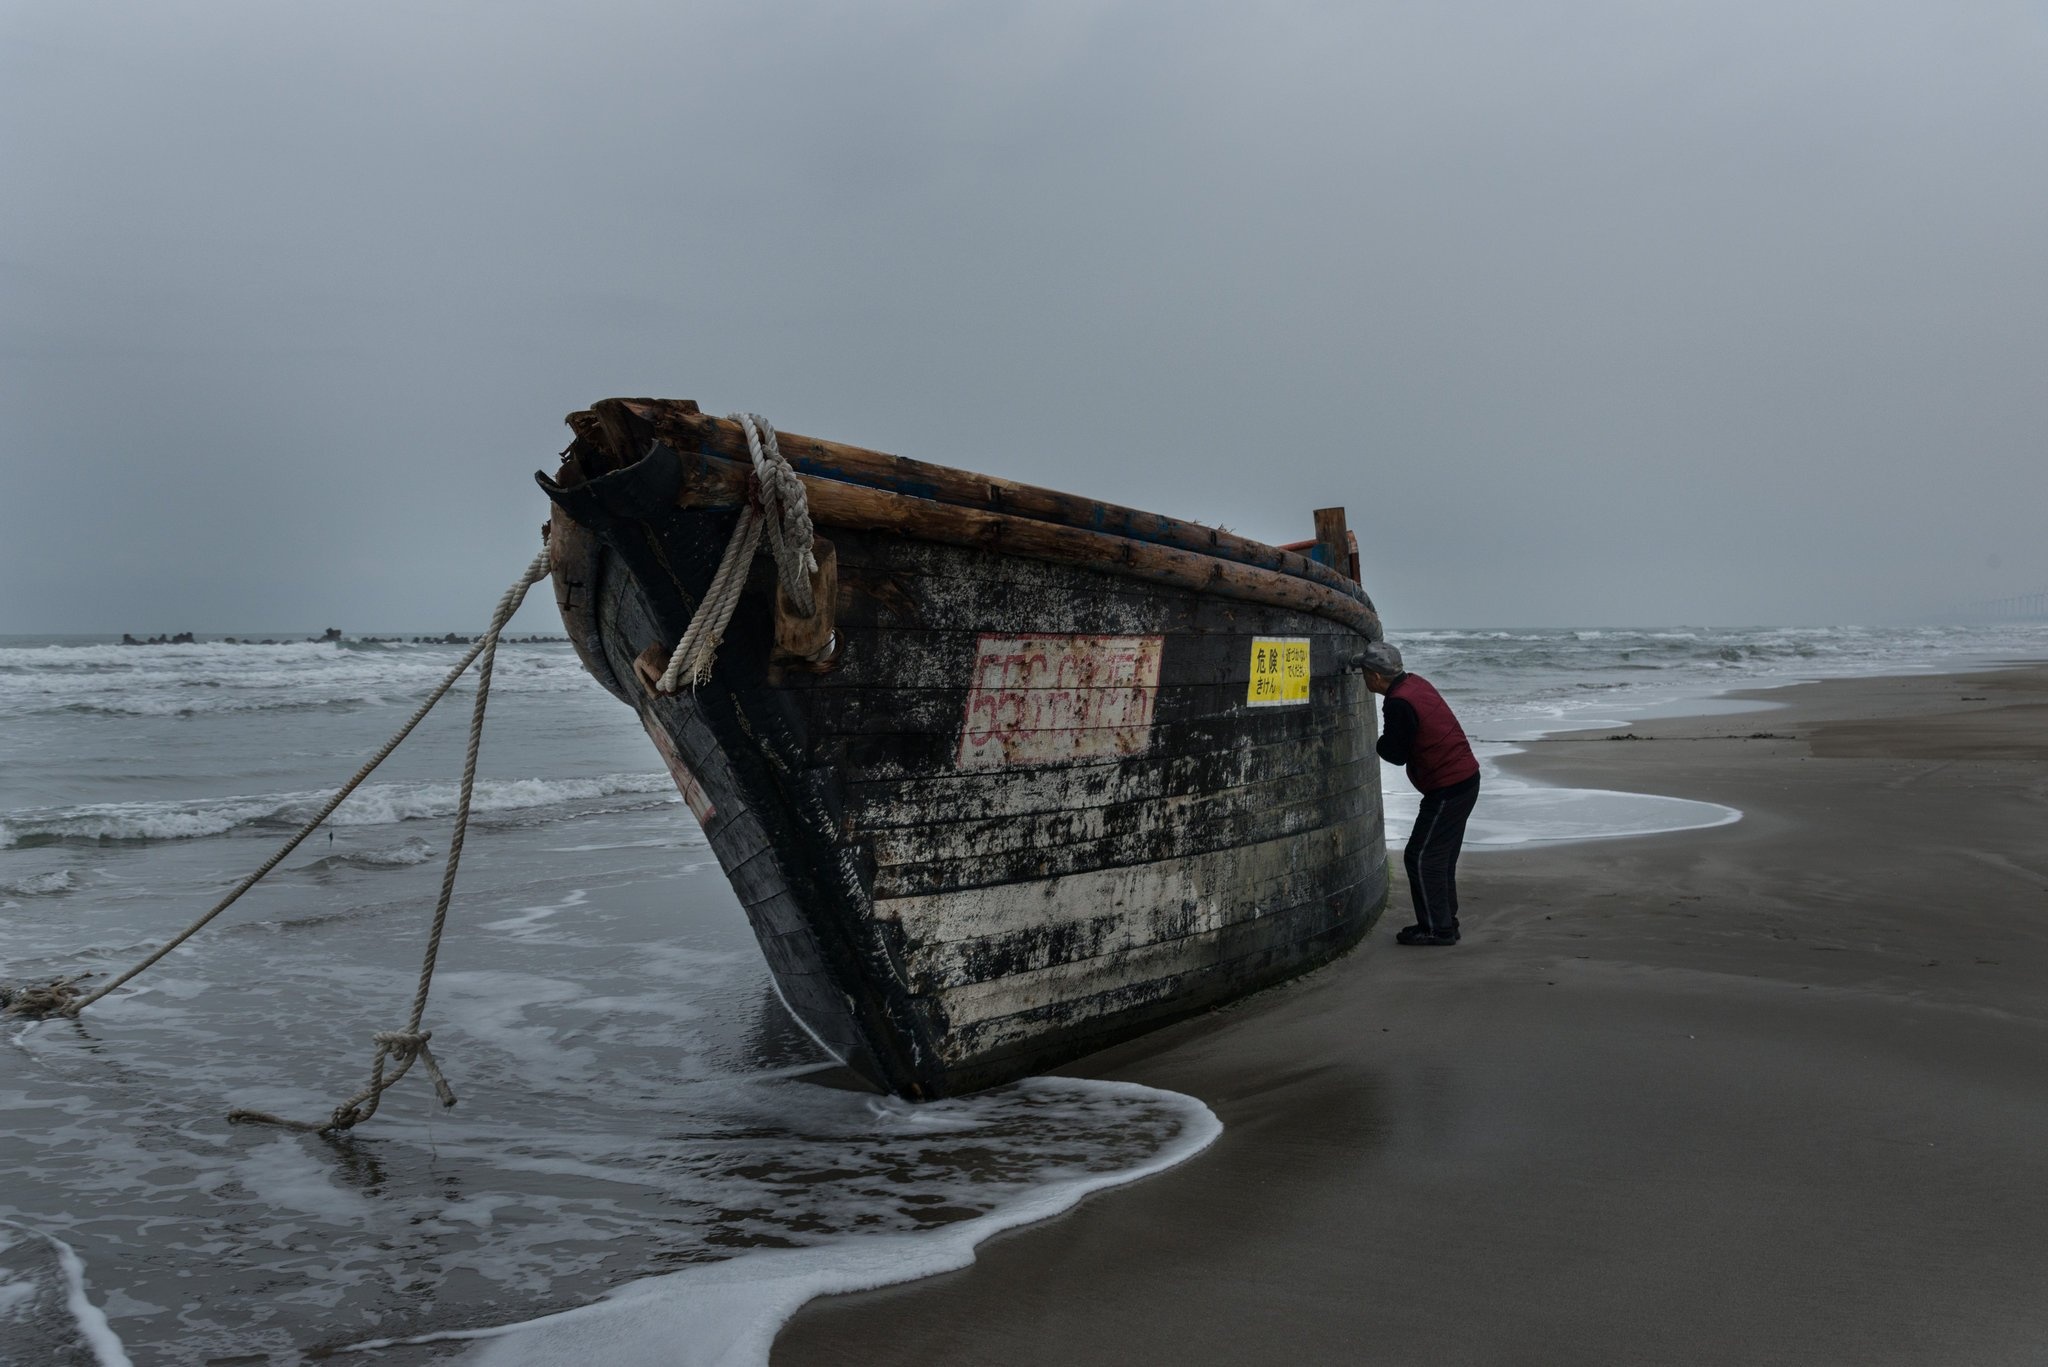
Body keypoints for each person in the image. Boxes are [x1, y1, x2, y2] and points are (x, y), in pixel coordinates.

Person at [1360, 640, 1480, 946]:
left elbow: (1395, 753)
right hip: (1464, 778)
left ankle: (1436, 930)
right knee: (1439, 857)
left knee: (1421, 856)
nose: (1362, 676)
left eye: (1363, 671)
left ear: (1374, 676)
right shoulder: (1415, 683)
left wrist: (1375, 743)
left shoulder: (1398, 702)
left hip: (1448, 786)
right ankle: (1443, 922)